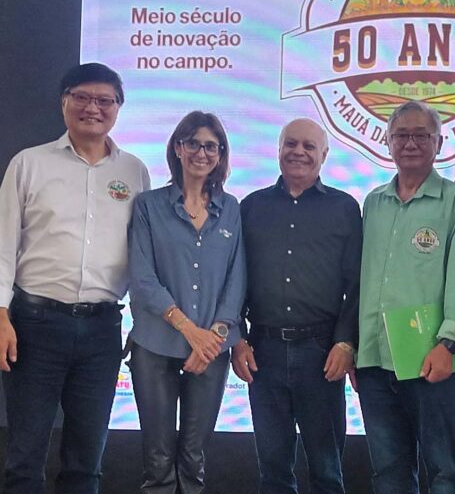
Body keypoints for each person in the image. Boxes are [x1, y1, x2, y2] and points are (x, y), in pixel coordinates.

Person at [0, 63, 150, 493]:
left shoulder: (134, 172)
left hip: (103, 330)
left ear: (118, 108)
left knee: (87, 460)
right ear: (64, 101)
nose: (92, 108)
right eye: (82, 97)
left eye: (105, 100)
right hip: (35, 325)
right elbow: (4, 243)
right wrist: (0, 315)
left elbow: (142, 256)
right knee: (25, 457)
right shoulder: (29, 163)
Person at [232, 118, 361, 494]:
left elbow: (356, 284)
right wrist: (238, 339)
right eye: (291, 144)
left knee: (327, 471)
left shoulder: (344, 208)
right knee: (273, 472)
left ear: (324, 154)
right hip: (263, 353)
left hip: (321, 353)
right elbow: (235, 279)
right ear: (278, 149)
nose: (298, 152)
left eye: (308, 146)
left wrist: (345, 343)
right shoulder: (251, 207)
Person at [356, 101, 455, 494]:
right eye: (401, 135)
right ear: (388, 142)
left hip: (432, 362)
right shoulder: (373, 203)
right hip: (375, 363)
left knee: (443, 472)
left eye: (421, 135)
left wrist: (448, 343)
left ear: (439, 142)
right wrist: (359, 352)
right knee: (389, 474)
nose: (410, 143)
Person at [127, 111, 246, 493]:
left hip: (211, 350)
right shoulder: (148, 205)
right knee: (158, 459)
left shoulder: (232, 209)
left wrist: (213, 335)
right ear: (177, 148)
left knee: (194, 458)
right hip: (155, 346)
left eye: (211, 146)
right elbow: (143, 279)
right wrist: (189, 330)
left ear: (221, 154)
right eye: (193, 143)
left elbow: (236, 279)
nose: (201, 152)